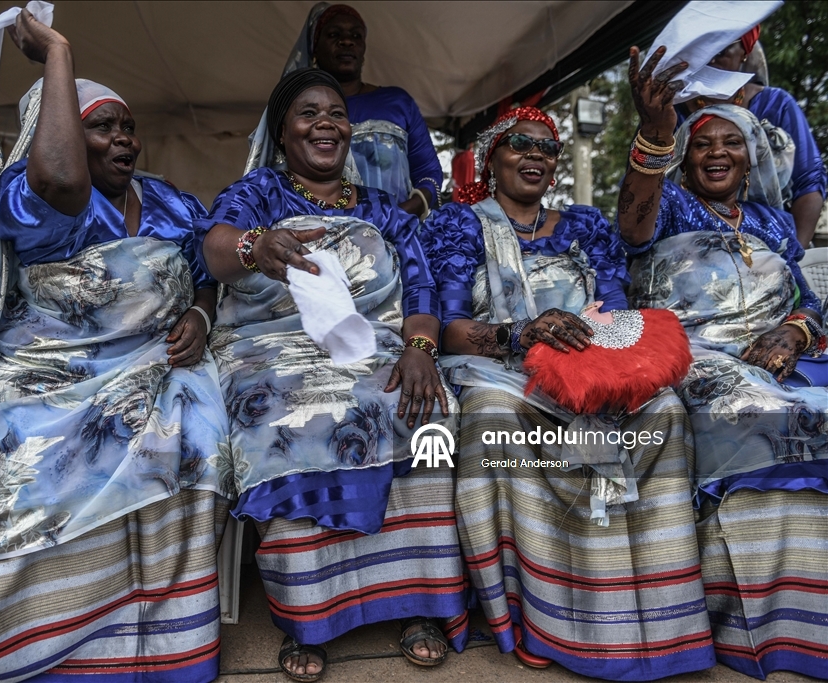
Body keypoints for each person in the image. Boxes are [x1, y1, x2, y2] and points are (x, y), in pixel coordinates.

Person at [0, 12, 230, 683]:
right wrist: (58, 53)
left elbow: (206, 274)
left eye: (128, 125)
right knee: (18, 447)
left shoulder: (169, 202)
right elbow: (64, 180)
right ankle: (39, 648)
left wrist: (198, 309)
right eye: (102, 125)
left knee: (197, 425)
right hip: (47, 371)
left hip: (153, 364)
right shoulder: (31, 191)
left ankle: (164, 647)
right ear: (65, 129)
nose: (124, 138)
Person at [421, 105, 717, 680]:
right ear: (491, 157)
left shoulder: (585, 225)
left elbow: (618, 313)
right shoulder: (458, 225)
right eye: (520, 144)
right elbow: (450, 327)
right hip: (498, 366)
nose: (535, 155)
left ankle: (655, 618)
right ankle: (549, 616)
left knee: (663, 409)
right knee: (492, 414)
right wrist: (522, 334)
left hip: (589, 365)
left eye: (547, 147)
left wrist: (607, 362)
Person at [196, 67, 466, 682]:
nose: (326, 123)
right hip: (269, 349)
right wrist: (254, 247)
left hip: (374, 347)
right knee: (281, 414)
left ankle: (420, 602)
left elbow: (421, 285)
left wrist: (421, 347)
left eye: (336, 113)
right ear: (282, 132)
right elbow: (215, 247)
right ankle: (308, 616)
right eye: (308, 113)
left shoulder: (381, 209)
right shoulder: (258, 194)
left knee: (425, 406)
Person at [619, 46, 827, 680]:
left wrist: (792, 333)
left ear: (752, 156)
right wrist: (655, 135)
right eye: (701, 142)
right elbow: (632, 226)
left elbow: (810, 304)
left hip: (779, 357)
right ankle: (755, 627)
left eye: (730, 144)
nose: (716, 153)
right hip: (697, 357)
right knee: (760, 413)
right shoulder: (671, 206)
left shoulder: (772, 222)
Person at [247, 3, 443, 217]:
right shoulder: (294, 108)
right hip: (318, 234)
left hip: (399, 232)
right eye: (334, 34)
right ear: (314, 47)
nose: (347, 41)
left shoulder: (397, 102)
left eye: (356, 36)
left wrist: (400, 215)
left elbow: (428, 173)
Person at [678, 25, 826, 247]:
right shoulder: (668, 113)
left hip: (771, 249)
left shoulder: (776, 106)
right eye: (702, 52)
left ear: (744, 53)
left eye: (721, 52)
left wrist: (793, 257)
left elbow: (809, 183)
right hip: (687, 250)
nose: (710, 60)